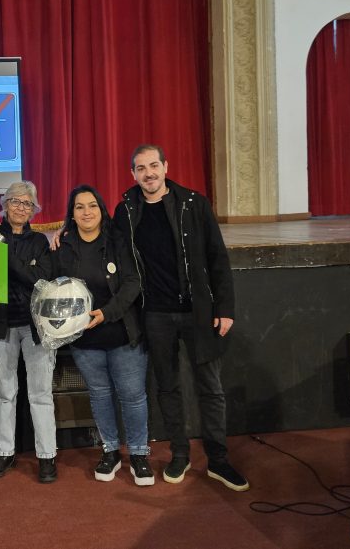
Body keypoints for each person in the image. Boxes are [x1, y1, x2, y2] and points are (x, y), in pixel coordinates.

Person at [114, 144, 248, 492]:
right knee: (167, 388)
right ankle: (179, 454)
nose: (149, 173)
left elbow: (218, 258)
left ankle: (218, 460)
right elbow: (109, 249)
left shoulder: (193, 203)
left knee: (211, 389)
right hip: (155, 315)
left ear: (166, 166)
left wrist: (225, 308)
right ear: (133, 174)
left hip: (198, 312)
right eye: (141, 168)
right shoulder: (126, 209)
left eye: (154, 165)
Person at [51, 185, 153, 486]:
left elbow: (133, 282)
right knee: (99, 395)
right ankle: (110, 450)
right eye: (79, 207)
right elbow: (57, 287)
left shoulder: (118, 240)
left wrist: (106, 313)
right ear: (72, 213)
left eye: (92, 205)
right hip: (85, 339)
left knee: (133, 397)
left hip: (122, 333)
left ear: (101, 209)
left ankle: (138, 453)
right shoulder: (64, 245)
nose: (86, 212)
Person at [0, 181, 58, 483]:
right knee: (4, 393)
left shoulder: (40, 241)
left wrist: (8, 259)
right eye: (15, 201)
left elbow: (40, 281)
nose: (21, 208)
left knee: (41, 394)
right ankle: (3, 453)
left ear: (34, 209)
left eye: (27, 204)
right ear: (4, 205)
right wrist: (25, 268)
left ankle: (47, 457)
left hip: (36, 327)